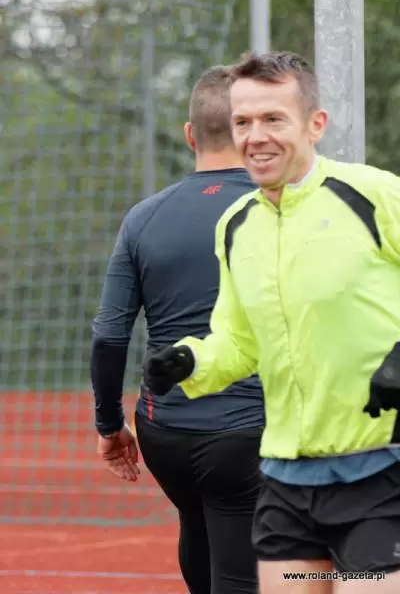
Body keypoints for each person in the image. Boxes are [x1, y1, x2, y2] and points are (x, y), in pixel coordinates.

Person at [143, 51, 400, 594]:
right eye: (242, 122)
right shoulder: (236, 225)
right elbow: (238, 342)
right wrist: (189, 361)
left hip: (383, 471)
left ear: (315, 124)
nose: (255, 136)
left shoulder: (375, 195)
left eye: (273, 119)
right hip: (286, 479)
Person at [91, 65, 265, 594]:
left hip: (164, 431)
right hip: (250, 430)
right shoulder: (275, 209)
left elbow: (109, 336)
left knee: (197, 524)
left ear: (191, 135)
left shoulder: (143, 217)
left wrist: (109, 425)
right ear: (247, 131)